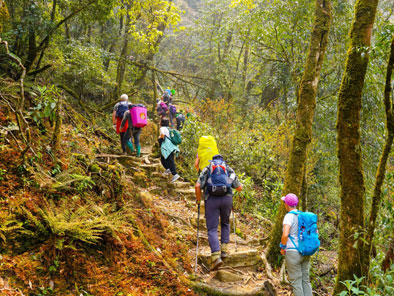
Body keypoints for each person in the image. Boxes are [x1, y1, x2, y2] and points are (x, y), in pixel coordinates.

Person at [195, 154, 242, 271]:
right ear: (222, 161)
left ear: (213, 161)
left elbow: (197, 186)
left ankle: (216, 256)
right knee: (225, 223)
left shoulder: (207, 169)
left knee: (212, 229)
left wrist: (198, 199)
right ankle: (224, 250)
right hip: (227, 199)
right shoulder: (228, 169)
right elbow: (239, 187)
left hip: (211, 200)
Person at [280, 193, 313, 296]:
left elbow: (285, 235)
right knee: (305, 280)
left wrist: (282, 247)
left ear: (287, 204)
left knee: (296, 282)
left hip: (293, 252)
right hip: (305, 251)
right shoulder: (302, 215)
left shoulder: (288, 216)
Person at [159, 118, 180, 183]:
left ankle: (175, 174)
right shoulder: (169, 129)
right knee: (164, 158)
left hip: (167, 146)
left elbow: (162, 135)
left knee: (169, 159)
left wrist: (159, 138)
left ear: (162, 123)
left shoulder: (162, 128)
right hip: (171, 146)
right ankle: (168, 169)